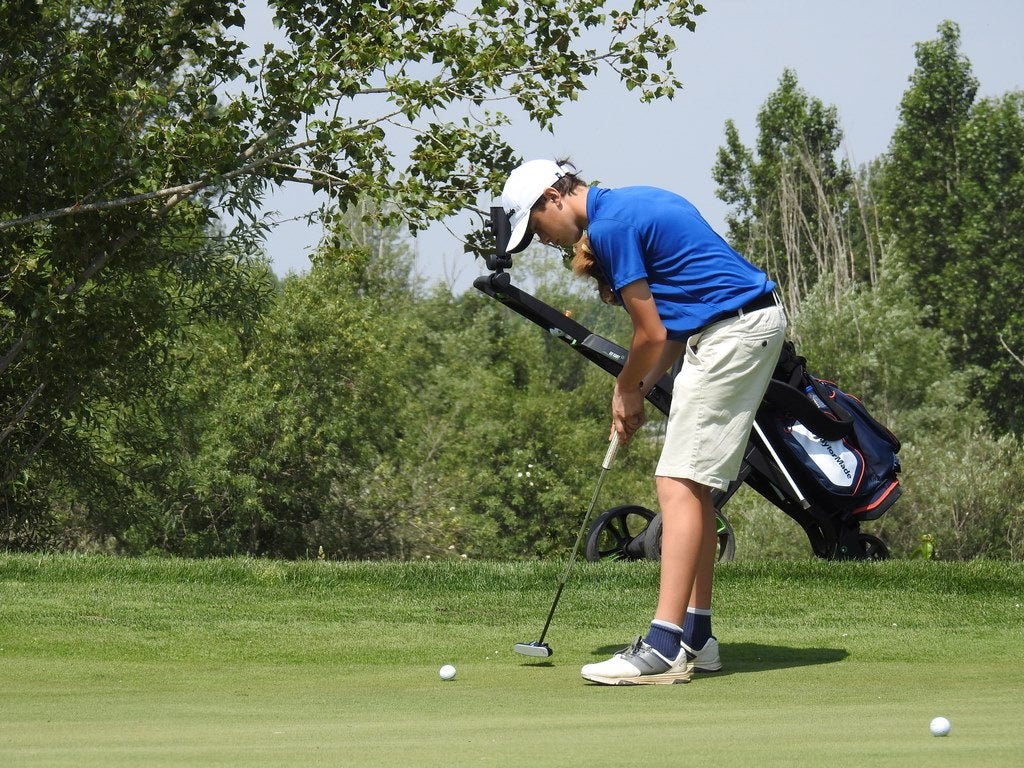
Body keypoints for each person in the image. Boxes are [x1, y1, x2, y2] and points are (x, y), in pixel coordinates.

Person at [501, 158, 787, 685]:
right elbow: (673, 330)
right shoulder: (629, 204)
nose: (544, 241)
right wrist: (641, 388)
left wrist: (627, 387)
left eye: (537, 228)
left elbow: (649, 332)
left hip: (733, 334)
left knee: (676, 483)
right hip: (734, 329)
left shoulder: (610, 227)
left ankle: (662, 647)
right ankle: (697, 639)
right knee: (693, 487)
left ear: (553, 198)